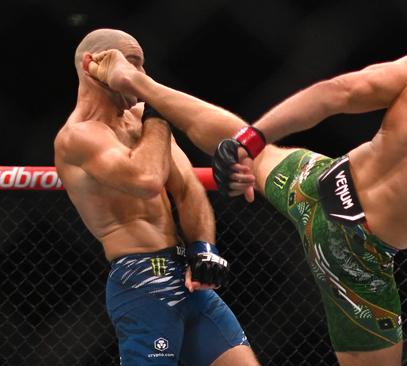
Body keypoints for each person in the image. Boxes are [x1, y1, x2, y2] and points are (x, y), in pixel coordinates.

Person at [84, 16, 407, 366]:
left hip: (325, 184)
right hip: (357, 253)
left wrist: (253, 138)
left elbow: (334, 93)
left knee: (253, 144)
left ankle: (151, 92)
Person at [54, 29, 259, 366]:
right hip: (141, 281)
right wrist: (159, 113)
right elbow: (147, 179)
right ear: (93, 65)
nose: (140, 77)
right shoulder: (78, 135)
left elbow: (187, 188)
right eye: (130, 64)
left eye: (142, 67)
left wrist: (203, 249)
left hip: (188, 277)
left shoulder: (142, 122)